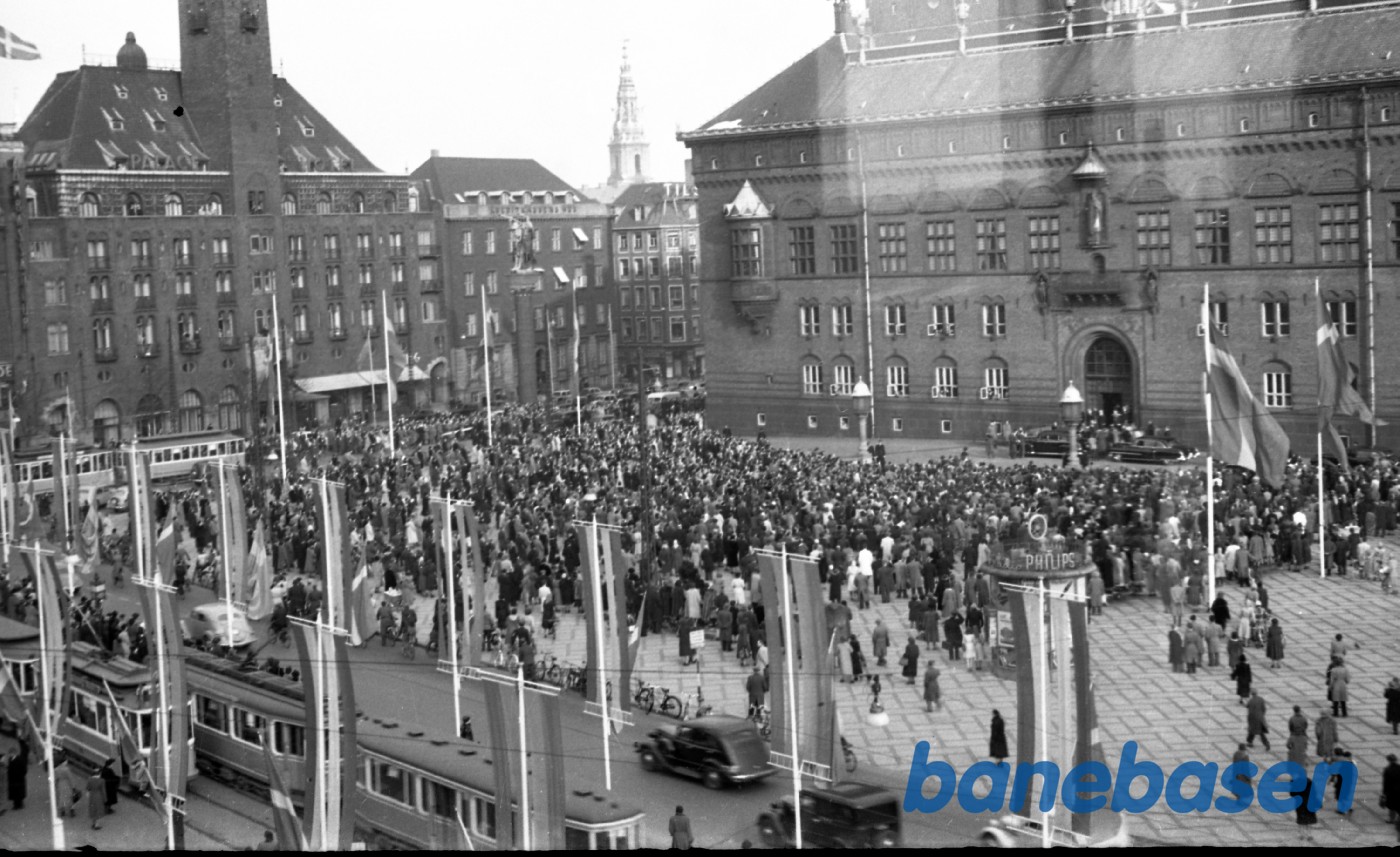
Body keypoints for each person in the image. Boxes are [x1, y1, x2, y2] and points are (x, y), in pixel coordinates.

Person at [5, 737, 28, 810]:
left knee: (18, 793)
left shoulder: (19, 760)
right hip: (13, 780)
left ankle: (19, 805)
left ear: (13, 753)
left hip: (18, 779)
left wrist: (21, 775)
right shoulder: (11, 760)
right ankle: (16, 805)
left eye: (11, 753)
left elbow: (24, 769)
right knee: (15, 793)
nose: (10, 755)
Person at [1384, 754, 1400, 826]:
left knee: (1392, 806)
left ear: (1389, 760)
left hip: (1391, 791)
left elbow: (1386, 782)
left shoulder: (1388, 769)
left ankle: (1391, 819)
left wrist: (1384, 792)